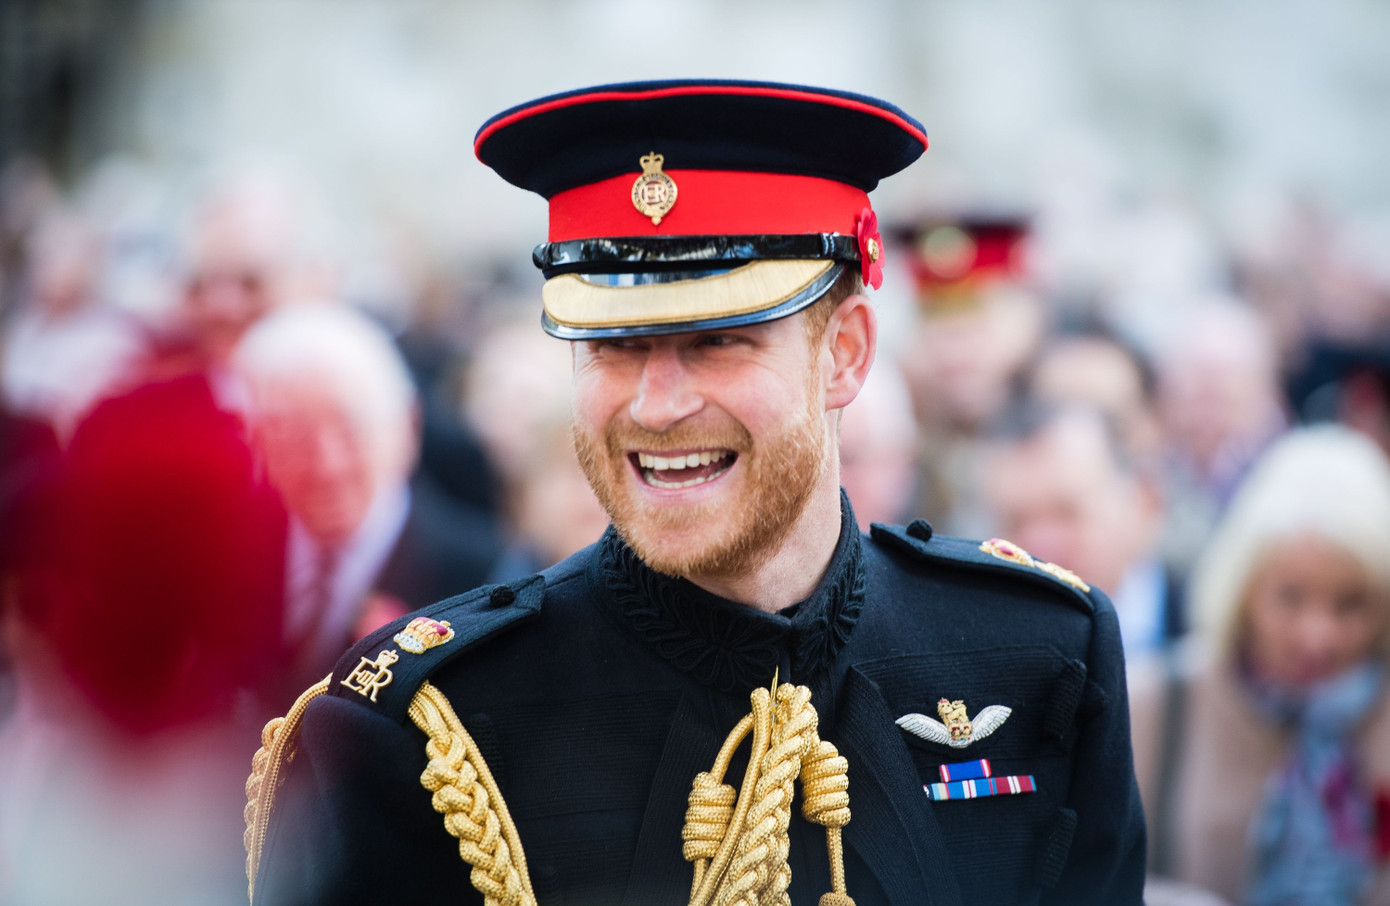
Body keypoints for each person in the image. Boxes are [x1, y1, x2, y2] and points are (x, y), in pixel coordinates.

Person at [245, 80, 1145, 906]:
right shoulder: (420, 732)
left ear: (846, 354)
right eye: (615, 346)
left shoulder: (1041, 658)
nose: (657, 404)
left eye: (720, 341)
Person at [1130, 426, 1390, 905]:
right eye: (1289, 598)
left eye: (1350, 603)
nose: (1318, 634)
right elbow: (1089, 877)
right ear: (1243, 589)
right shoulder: (1158, 702)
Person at [232, 304, 501, 696]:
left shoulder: (485, 580)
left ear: (407, 427)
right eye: (290, 433)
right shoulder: (225, 561)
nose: (326, 465)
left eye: (350, 427)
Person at [985, 404, 1182, 657]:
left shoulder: (1212, 629)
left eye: (1066, 514)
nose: (1039, 544)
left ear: (1145, 503)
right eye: (1015, 522)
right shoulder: (976, 651)